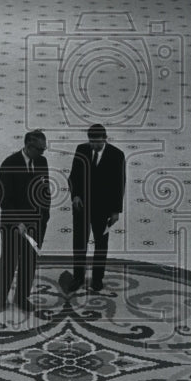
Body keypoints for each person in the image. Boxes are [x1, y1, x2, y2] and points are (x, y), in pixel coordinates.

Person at [0, 130, 51, 315]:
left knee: (29, 262)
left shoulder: (42, 162)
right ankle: (0, 300)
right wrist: (18, 222)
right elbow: (5, 200)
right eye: (40, 149)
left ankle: (22, 297)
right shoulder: (9, 164)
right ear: (29, 146)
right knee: (8, 262)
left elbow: (45, 190)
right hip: (13, 227)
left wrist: (45, 218)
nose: (43, 153)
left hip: (37, 225)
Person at [67, 124, 125, 292]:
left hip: (104, 210)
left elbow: (119, 184)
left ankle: (97, 279)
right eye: (91, 141)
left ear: (105, 138)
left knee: (101, 244)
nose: (93, 145)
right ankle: (78, 277)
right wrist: (75, 195)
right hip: (81, 207)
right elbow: (73, 176)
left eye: (97, 142)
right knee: (79, 243)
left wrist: (115, 211)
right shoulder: (81, 150)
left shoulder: (117, 155)